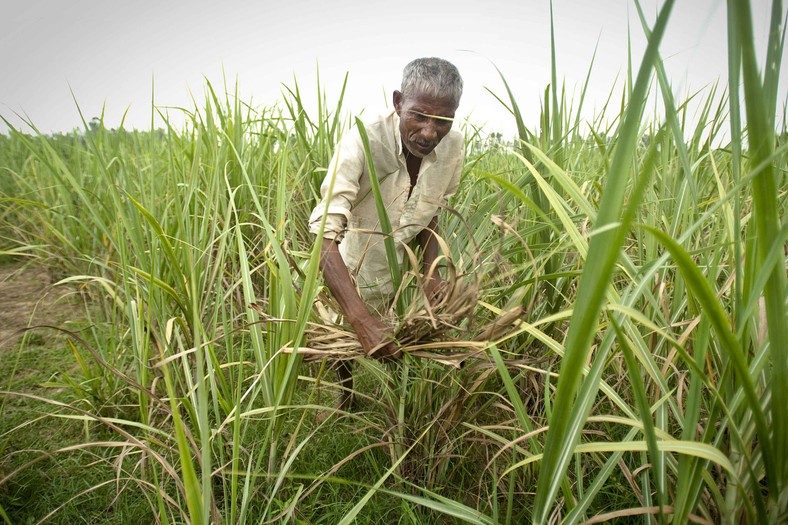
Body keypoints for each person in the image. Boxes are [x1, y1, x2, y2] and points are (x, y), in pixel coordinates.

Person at [308, 57, 464, 408]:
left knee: (398, 343)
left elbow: (432, 211)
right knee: (344, 339)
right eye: (419, 115)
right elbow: (324, 237)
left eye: (442, 121)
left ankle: (395, 407)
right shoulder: (363, 140)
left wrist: (431, 272)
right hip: (350, 262)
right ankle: (346, 400)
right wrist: (360, 318)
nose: (429, 132)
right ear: (398, 102)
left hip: (400, 269)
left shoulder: (453, 147)